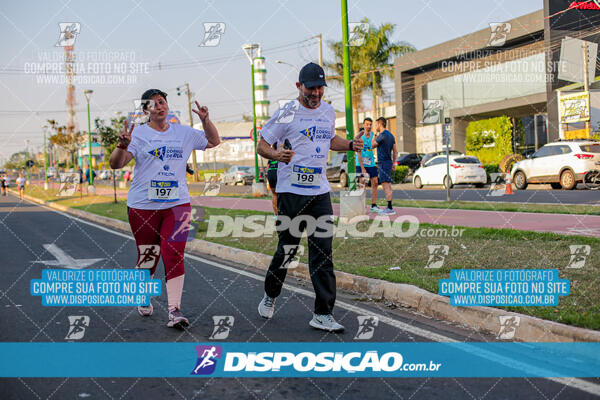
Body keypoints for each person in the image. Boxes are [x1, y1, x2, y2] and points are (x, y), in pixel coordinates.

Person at [256, 62, 363, 332]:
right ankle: (271, 294)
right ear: (298, 87)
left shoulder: (328, 112)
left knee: (323, 254)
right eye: (310, 88)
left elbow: (328, 139)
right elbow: (262, 144)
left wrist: (350, 145)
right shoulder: (287, 112)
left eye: (320, 88)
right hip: (291, 192)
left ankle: (323, 313)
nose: (316, 93)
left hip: (320, 193)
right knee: (288, 251)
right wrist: (277, 155)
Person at [109, 88, 220, 329]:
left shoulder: (183, 133)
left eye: (162, 101)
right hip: (143, 207)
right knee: (149, 255)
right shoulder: (137, 134)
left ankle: (174, 309)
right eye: (154, 104)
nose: (160, 106)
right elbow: (116, 164)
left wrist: (205, 120)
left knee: (174, 253)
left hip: (178, 205)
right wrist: (121, 145)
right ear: (145, 111)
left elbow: (213, 141)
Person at [372, 117, 397, 215]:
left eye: (376, 124)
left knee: (386, 185)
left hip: (383, 163)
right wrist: (394, 163)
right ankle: (390, 206)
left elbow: (372, 145)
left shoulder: (382, 135)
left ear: (379, 124)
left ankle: (390, 208)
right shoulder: (391, 135)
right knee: (388, 185)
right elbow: (395, 151)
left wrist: (374, 134)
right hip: (389, 162)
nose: (376, 126)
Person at [355, 118, 380, 213]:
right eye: (367, 124)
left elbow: (375, 145)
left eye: (370, 124)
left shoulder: (374, 135)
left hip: (371, 163)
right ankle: (361, 206)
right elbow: (358, 153)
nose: (369, 126)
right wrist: (362, 168)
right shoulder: (360, 136)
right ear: (363, 125)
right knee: (362, 183)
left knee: (375, 182)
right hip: (361, 163)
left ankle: (373, 205)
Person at [266, 143, 278, 215]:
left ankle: (276, 214)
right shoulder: (281, 153)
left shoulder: (271, 156)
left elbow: (267, 167)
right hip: (277, 172)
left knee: (274, 194)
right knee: (281, 194)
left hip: (270, 172)